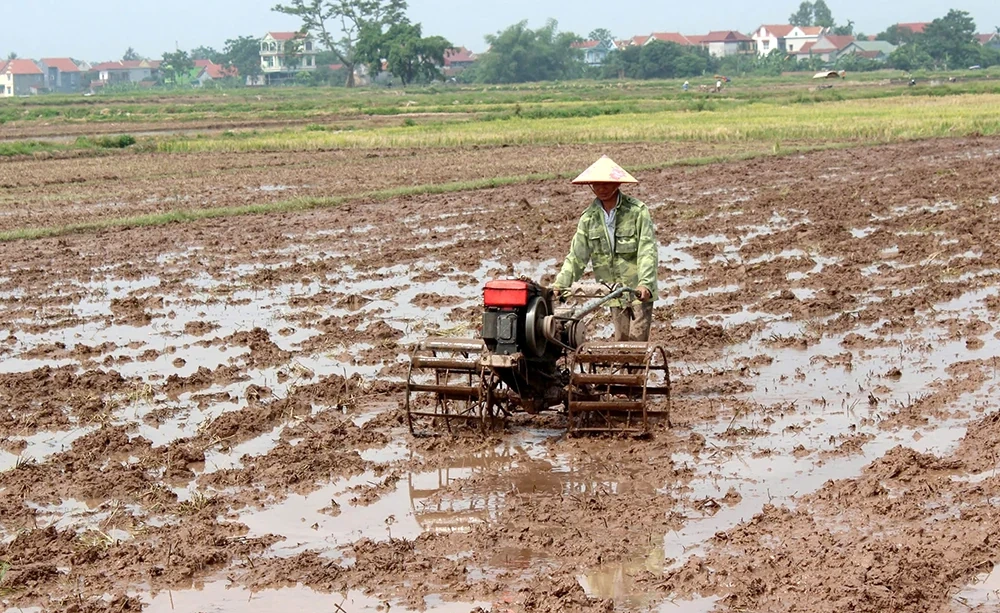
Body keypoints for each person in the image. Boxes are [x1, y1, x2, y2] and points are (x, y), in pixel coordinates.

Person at [551, 155, 660, 342]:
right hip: (612, 291)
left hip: (636, 290)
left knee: (636, 343)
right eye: (596, 184)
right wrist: (561, 284)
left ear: (617, 183)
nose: (601, 189)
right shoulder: (588, 218)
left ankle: (636, 370)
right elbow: (577, 256)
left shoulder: (637, 212)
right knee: (621, 341)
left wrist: (646, 283)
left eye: (606, 184)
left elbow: (647, 250)